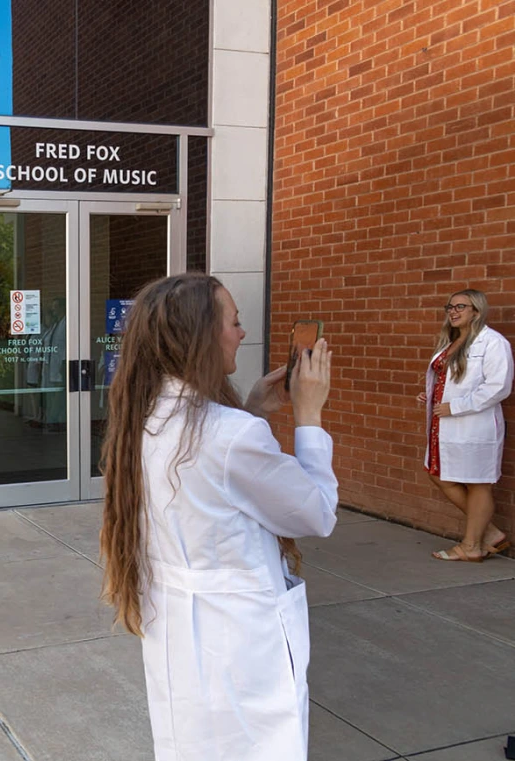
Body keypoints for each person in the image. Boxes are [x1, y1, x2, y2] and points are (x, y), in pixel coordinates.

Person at [98, 274, 337, 760]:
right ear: (203, 335)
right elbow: (315, 513)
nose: (242, 333)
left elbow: (210, 476)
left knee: (191, 742)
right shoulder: (231, 435)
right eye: (235, 321)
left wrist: (250, 410)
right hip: (237, 640)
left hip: (179, 632)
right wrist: (309, 417)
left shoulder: (144, 416)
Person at [418, 289, 514, 562]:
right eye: (450, 306)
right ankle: (491, 533)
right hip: (443, 424)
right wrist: (432, 392)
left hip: (473, 425)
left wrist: (455, 406)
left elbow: (498, 387)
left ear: (477, 311)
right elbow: (450, 380)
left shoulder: (493, 343)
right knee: (439, 475)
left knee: (479, 484)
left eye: (461, 306)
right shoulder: (452, 341)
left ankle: (471, 546)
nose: (453, 311)